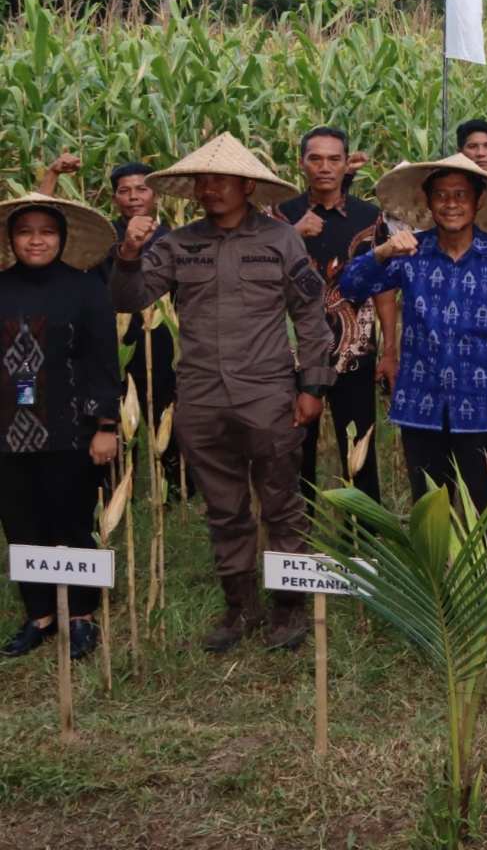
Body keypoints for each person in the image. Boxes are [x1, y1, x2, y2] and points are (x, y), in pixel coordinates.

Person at [111, 133, 334, 653]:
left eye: (221, 180)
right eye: (203, 181)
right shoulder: (176, 244)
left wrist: (313, 386)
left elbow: (311, 317)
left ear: (247, 185)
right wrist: (126, 254)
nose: (210, 189)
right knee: (224, 508)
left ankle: (289, 607)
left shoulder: (281, 241)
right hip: (202, 397)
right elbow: (131, 297)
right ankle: (240, 608)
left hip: (268, 393)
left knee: (282, 503)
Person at [339, 154, 487, 512]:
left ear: (479, 201)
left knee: (485, 513)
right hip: (422, 405)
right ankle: (435, 570)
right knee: (430, 512)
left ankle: (484, 570)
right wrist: (383, 250)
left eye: (461, 195)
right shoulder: (412, 252)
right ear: (428, 202)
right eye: (442, 195)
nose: (451, 204)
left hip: (485, 407)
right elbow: (351, 286)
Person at [0, 193, 119, 661]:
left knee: (72, 520)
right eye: (25, 231)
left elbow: (102, 359)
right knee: (21, 522)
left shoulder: (85, 288)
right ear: (11, 239)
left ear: (62, 238)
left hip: (70, 428)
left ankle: (81, 614)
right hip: (7, 430)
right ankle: (39, 614)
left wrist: (106, 424)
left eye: (46, 231)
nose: (36, 240)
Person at [37, 155, 183, 492]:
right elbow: (45, 218)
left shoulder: (175, 239)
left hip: (162, 340)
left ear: (156, 195)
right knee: (110, 413)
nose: (133, 197)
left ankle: (177, 490)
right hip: (112, 342)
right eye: (124, 191)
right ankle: (115, 484)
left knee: (166, 413)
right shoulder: (102, 236)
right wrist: (52, 174)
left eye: (141, 189)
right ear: (114, 198)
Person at [277, 127, 395, 501]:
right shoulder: (280, 216)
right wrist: (294, 233)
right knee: (296, 451)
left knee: (359, 449)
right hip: (292, 355)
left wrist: (390, 348)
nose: (324, 167)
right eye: (315, 159)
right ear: (301, 164)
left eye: (333, 159)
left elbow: (384, 286)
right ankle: (298, 541)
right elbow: (263, 276)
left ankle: (361, 537)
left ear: (347, 165)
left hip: (354, 351)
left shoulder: (370, 218)